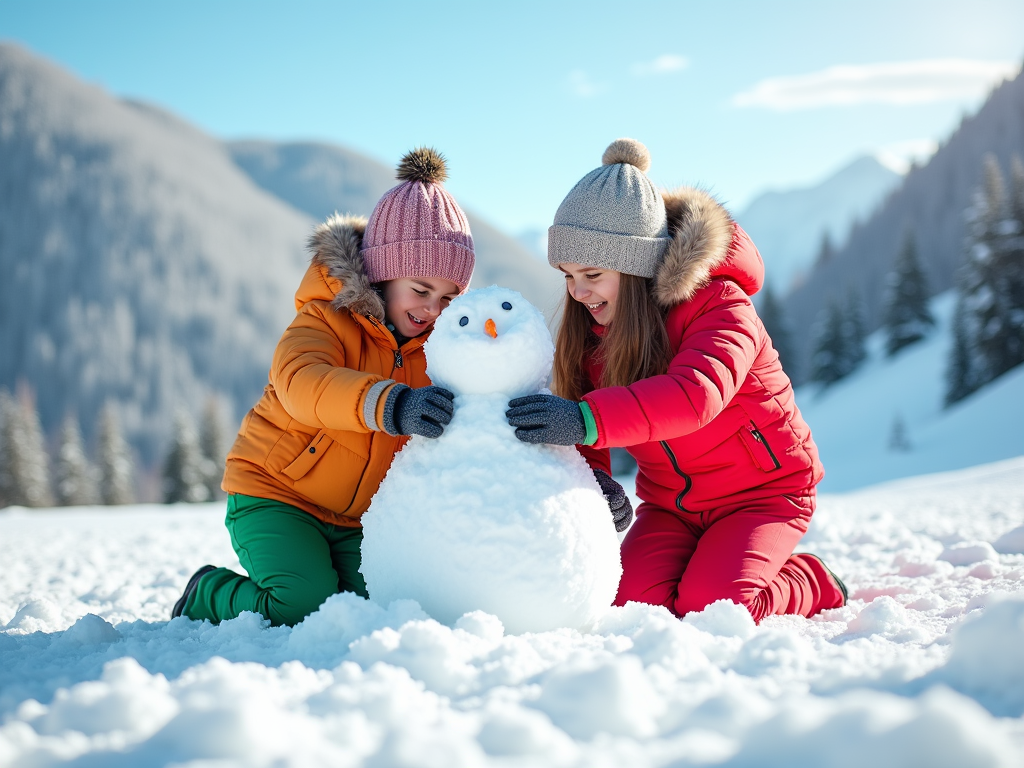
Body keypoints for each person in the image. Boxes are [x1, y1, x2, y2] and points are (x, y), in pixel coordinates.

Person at [506, 138, 847, 622]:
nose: (578, 293)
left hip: (763, 495)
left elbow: (694, 397)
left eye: (592, 273)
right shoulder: (596, 332)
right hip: (672, 505)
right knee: (630, 606)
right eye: (566, 275)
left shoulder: (721, 304)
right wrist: (596, 478)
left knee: (716, 608)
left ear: (637, 266)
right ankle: (723, 563)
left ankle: (808, 579)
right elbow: (582, 428)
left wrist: (584, 420)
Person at [171, 148, 474, 626]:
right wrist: (391, 404)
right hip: (276, 495)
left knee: (386, 605)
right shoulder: (324, 318)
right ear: (382, 272)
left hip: (356, 522)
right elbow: (302, 382)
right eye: (420, 289)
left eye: (448, 297)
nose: (433, 309)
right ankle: (208, 594)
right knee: (303, 603)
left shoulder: (441, 351)